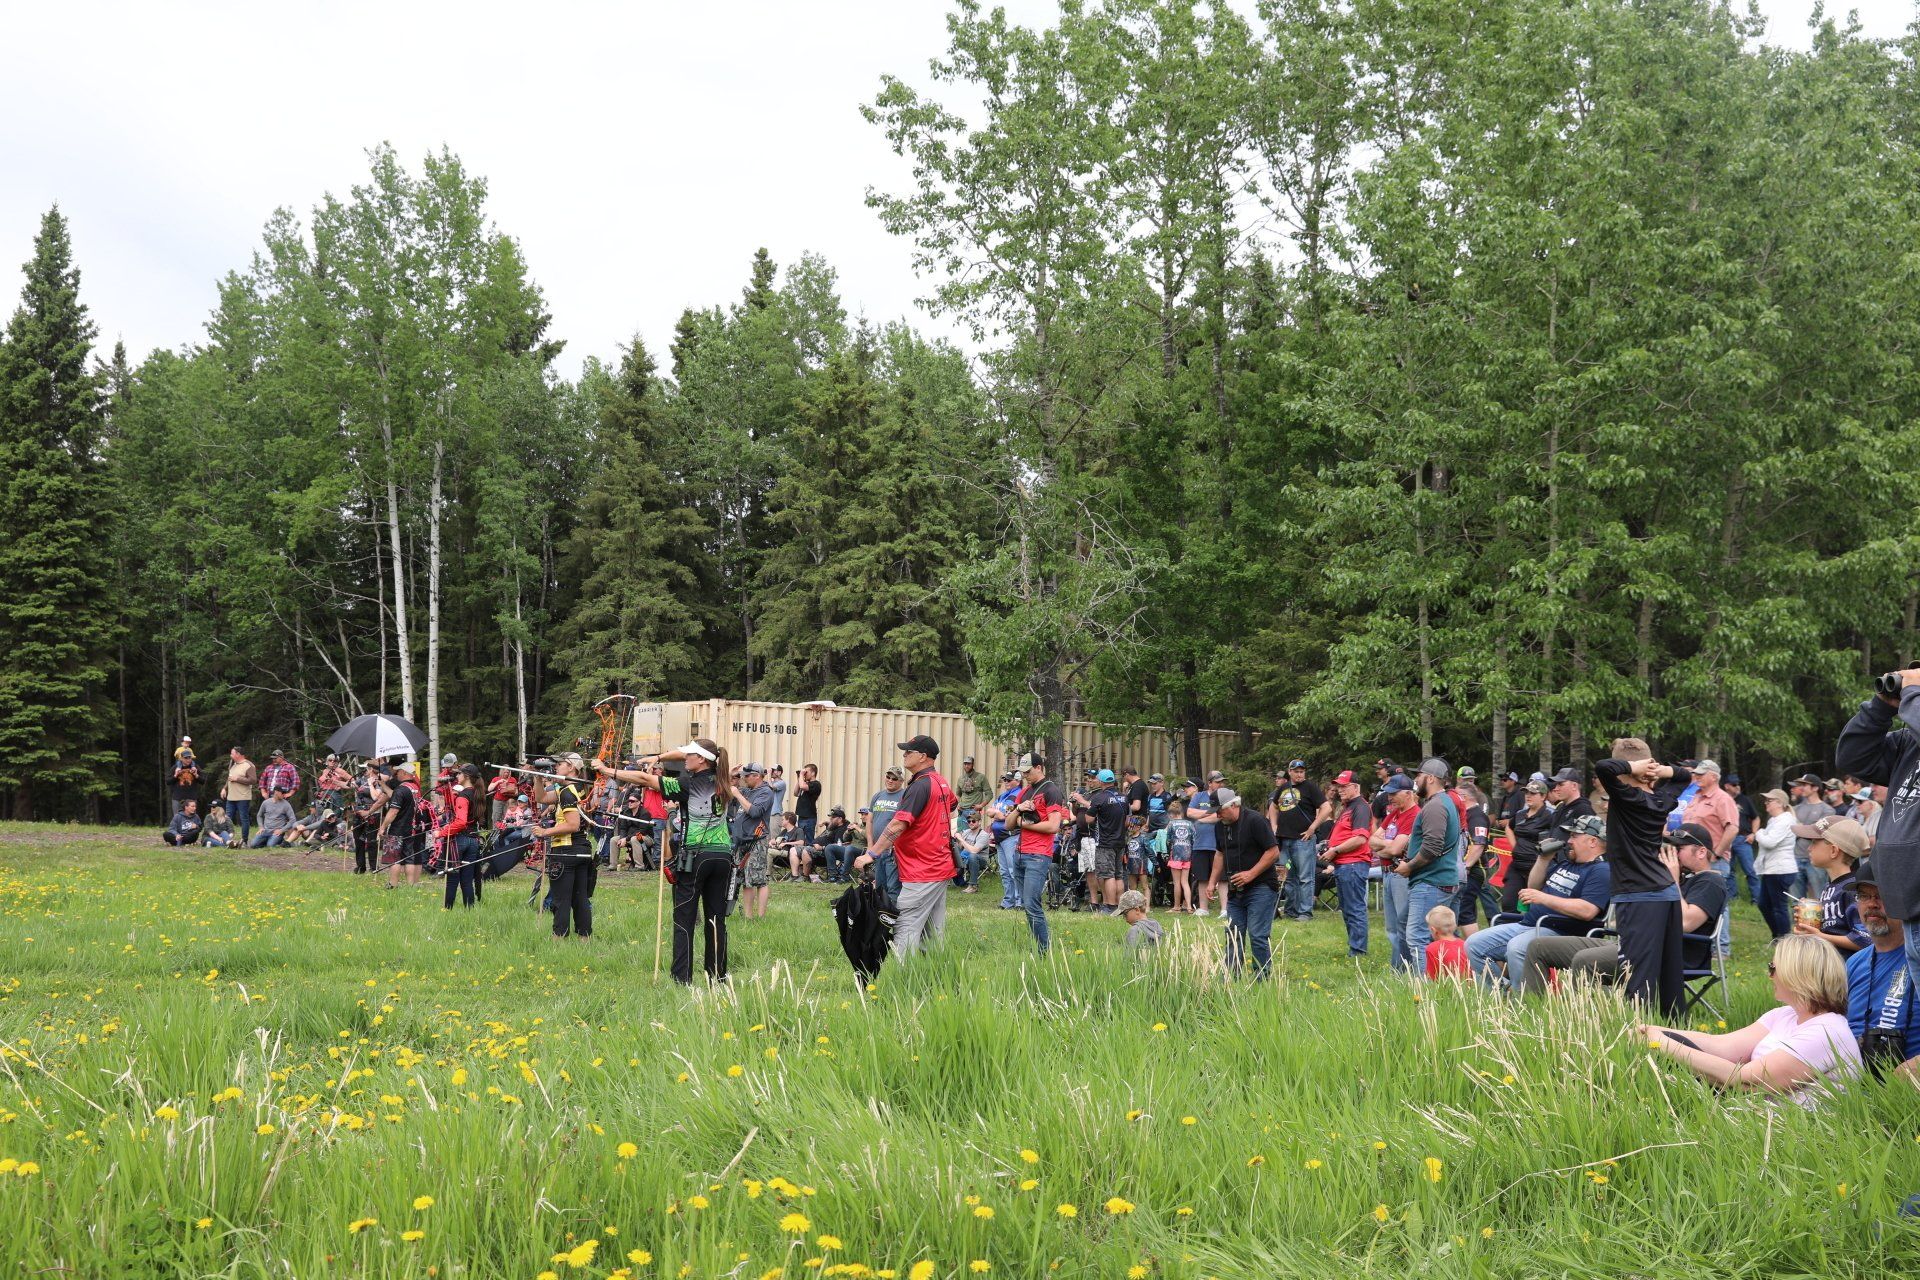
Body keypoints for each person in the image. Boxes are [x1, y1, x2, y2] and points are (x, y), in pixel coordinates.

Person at [1642, 934, 1862, 1108]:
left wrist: (1662, 1044)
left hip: (1791, 1138)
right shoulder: (1785, 1015)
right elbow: (1722, 1047)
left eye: (1773, 968)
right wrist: (1651, 1030)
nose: (1769, 976)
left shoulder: (1826, 1032)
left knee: (1670, 1064)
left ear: (1797, 974)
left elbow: (1743, 1081)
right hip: (1756, 1119)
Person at [1524, 822, 1723, 994]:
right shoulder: (1679, 878)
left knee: (1585, 960)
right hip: (1634, 944)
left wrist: (1672, 878)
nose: (1671, 854)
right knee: (1538, 947)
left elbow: (1685, 923)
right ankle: (1537, 1011)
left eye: (1678, 849)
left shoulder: (1710, 882)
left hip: (1664, 954)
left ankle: (1582, 1023)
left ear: (1701, 852)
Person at [1594, 741, 1696, 1016]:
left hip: (1639, 896)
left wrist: (1636, 767)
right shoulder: (1660, 799)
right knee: (1669, 976)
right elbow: (1685, 776)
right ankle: (1675, 1038)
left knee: (1637, 976)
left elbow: (1603, 768)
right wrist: (1659, 771)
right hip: (1666, 894)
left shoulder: (1626, 798)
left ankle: (1639, 1039)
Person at [1835, 672, 1920, 999]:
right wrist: (1882, 706)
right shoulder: (1908, 742)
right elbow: (1854, 757)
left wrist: (1912, 693)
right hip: (1907, 893)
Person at [1467, 814, 1611, 992]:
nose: (1569, 841)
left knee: (1517, 947)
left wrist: (1544, 898)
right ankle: (1500, 993)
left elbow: (1587, 910)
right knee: (1474, 944)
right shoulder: (1566, 863)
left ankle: (1525, 1002)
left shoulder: (1601, 870)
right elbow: (1533, 886)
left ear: (1592, 841)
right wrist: (1543, 858)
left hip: (1562, 931)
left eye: (1574, 836)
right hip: (1529, 924)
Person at [858, 736, 958, 956]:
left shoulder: (920, 786)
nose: (904, 755)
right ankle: (934, 977)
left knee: (905, 927)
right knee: (932, 932)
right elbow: (953, 803)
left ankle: (904, 981)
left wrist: (872, 853)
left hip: (922, 870)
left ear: (922, 756)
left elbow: (898, 824)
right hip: (939, 867)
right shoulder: (939, 781)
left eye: (908, 751)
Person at [1845, 860, 1920, 1077]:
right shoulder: (1855, 963)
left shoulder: (1916, 958)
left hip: (1905, 1090)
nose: (1872, 904)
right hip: (1853, 1085)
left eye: (1881, 895)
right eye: (1864, 896)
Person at [1207, 787, 1281, 980]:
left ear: (1233, 804)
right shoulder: (1220, 825)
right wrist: (1212, 882)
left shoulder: (1255, 820)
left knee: (1257, 934)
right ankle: (1231, 979)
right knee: (1233, 934)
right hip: (1235, 891)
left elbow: (1273, 852)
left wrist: (1251, 874)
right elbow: (1220, 854)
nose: (1217, 814)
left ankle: (1262, 979)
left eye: (1220, 810)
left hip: (1262, 887)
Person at [1396, 758, 1463, 970]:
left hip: (1431, 881)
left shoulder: (1436, 806)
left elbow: (1433, 847)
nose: (1416, 780)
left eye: (1419, 775)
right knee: (1428, 933)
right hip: (1434, 880)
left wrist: (1409, 866)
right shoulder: (1441, 803)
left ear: (1431, 778)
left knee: (1417, 937)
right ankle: (1448, 978)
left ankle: (1426, 989)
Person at [1005, 753, 1065, 953]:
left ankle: (1043, 951)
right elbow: (1007, 824)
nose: (1025, 776)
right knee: (1026, 904)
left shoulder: (1051, 790)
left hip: (1038, 855)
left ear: (1039, 767)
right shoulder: (1023, 792)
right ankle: (1036, 946)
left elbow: (1054, 826)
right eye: (1022, 773)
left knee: (1032, 904)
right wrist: (1018, 810)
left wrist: (1024, 824)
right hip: (1020, 853)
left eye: (1028, 772)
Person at [1791, 814, 1869, 955]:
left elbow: (1864, 939)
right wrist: (1810, 922)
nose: (1809, 848)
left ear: (1833, 851)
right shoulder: (1831, 886)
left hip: (1847, 972)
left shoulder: (1853, 889)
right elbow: (1834, 926)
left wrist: (1819, 937)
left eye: (1814, 842)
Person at [533, 754, 593, 937]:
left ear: (571, 768)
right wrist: (538, 777)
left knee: (561, 899)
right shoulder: (573, 788)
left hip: (566, 851)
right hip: (581, 849)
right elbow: (542, 797)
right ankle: (584, 938)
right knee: (580, 898)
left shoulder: (567, 793)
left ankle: (559, 938)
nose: (556, 767)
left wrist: (545, 832)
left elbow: (572, 825)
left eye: (560, 764)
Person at [1267, 760, 1328, 922]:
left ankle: (1305, 912)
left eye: (1302, 771)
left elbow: (1327, 808)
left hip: (1303, 840)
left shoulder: (1310, 787)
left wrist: (1312, 828)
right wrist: (1273, 826)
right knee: (1287, 877)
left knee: (1305, 877)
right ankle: (1291, 910)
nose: (1300, 774)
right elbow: (1273, 806)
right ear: (1290, 772)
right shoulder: (1283, 788)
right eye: (1296, 771)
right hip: (1284, 840)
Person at [1371, 775, 1421, 973]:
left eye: (1394, 793)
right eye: (1388, 793)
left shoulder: (1414, 814)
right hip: (1387, 872)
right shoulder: (1394, 814)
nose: (1389, 798)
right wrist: (1389, 846)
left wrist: (1386, 846)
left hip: (1400, 873)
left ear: (1409, 793)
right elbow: (1372, 841)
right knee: (1391, 927)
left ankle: (1405, 969)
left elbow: (1395, 850)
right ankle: (1398, 969)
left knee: (1404, 925)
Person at [1323, 770, 1373, 957]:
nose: (1339, 789)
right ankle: (1355, 948)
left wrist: (1335, 850)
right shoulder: (1348, 807)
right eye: (1339, 786)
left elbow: (1360, 838)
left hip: (1353, 864)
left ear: (1356, 787)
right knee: (1349, 909)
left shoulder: (1360, 806)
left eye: (1344, 786)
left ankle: (1358, 951)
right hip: (1345, 865)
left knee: (1355, 909)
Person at [1081, 768, 1129, 915]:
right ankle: (1120, 905)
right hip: (1120, 841)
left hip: (1105, 842)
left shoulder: (1099, 798)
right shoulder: (1124, 797)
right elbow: (1127, 821)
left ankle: (1110, 905)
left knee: (1107, 875)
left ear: (1101, 781)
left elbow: (1089, 819)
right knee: (1118, 875)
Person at [1752, 788, 1798, 939]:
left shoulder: (1785, 820)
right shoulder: (1774, 820)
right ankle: (1777, 936)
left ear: (1779, 803)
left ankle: (1784, 940)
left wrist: (1758, 833)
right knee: (1764, 905)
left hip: (1781, 870)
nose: (1766, 803)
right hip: (1771, 870)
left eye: (1769, 801)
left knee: (1779, 907)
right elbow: (1768, 840)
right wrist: (1763, 834)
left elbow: (1770, 842)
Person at [1502, 780, 1553, 913]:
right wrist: (1515, 846)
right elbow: (1509, 826)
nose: (1528, 796)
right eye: (1526, 793)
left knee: (1534, 908)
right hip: (1517, 865)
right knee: (1508, 904)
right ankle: (1509, 931)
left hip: (1536, 867)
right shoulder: (1520, 814)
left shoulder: (1549, 815)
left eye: (1533, 793)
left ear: (1543, 796)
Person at [734, 763, 776, 920]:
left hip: (757, 839)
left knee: (759, 879)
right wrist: (730, 773)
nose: (743, 778)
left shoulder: (766, 792)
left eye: (746, 775)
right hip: (743, 839)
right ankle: (748, 917)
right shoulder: (748, 790)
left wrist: (738, 795)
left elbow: (755, 812)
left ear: (757, 776)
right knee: (746, 879)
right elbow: (725, 785)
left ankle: (761, 917)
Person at [437, 765, 481, 908]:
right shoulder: (477, 793)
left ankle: (447, 911)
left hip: (460, 840)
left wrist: (441, 832)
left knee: (452, 879)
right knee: (467, 880)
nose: (456, 776)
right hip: (473, 840)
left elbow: (461, 822)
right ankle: (470, 911)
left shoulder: (463, 796)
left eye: (459, 774)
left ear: (466, 776)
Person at [1788, 773, 1836, 899]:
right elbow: (1789, 830)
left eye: (1805, 785)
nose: (1801, 787)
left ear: (1815, 788)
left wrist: (1800, 828)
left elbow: (1818, 832)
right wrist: (1807, 828)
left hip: (1816, 860)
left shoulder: (1828, 810)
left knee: (1820, 900)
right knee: (1796, 902)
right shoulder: (1795, 808)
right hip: (1795, 858)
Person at [381, 765, 426, 888]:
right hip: (413, 828)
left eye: (398, 772)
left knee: (395, 858)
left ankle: (393, 884)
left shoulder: (401, 790)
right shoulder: (415, 788)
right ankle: (412, 885)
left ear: (404, 772)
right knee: (410, 858)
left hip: (398, 828)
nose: (396, 774)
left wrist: (383, 826)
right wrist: (383, 785)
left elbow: (393, 811)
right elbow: (395, 795)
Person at [867, 767, 907, 902]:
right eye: (888, 777)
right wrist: (870, 846)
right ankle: (881, 917)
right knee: (879, 887)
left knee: (893, 888)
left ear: (901, 781)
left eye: (894, 778)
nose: (890, 780)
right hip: (878, 850)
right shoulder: (877, 796)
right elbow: (870, 821)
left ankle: (893, 918)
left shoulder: (905, 796)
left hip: (893, 851)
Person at [1190, 773, 1227, 918]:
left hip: (1219, 843)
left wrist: (1203, 817)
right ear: (1210, 783)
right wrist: (1210, 812)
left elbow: (1220, 816)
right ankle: (1203, 908)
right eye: (1218, 782)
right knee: (1202, 877)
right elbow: (1190, 812)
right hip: (1201, 843)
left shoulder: (1224, 797)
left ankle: (1224, 909)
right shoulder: (1199, 796)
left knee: (1223, 878)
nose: (1221, 784)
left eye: (1222, 782)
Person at [1725, 773, 1761, 907]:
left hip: (1742, 839)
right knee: (1728, 871)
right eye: (1734, 785)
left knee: (1751, 870)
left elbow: (1756, 818)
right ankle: (1732, 897)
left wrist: (1753, 834)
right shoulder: (1722, 799)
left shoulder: (1745, 800)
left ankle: (1757, 899)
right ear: (1727, 786)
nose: (1738, 787)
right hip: (1726, 839)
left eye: (1738, 784)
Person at [1164, 798, 1196, 914]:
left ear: (1171, 814)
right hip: (1187, 855)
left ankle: (1177, 906)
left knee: (1176, 882)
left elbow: (1168, 840)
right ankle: (1188, 906)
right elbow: (1194, 839)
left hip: (1176, 855)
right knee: (1185, 882)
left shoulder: (1171, 824)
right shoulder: (1190, 823)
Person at [1423, 905, 1468, 978]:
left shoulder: (1432, 948)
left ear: (1433, 930)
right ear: (1455, 926)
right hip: (1469, 987)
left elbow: (1431, 977)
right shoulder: (1465, 944)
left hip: (1448, 987)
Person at [224, 748, 258, 846]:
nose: (230, 755)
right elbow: (230, 778)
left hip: (243, 797)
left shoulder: (249, 765)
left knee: (244, 819)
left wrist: (237, 779)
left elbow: (253, 780)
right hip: (231, 797)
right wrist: (224, 788)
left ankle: (244, 840)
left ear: (238, 754)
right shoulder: (233, 764)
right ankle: (226, 839)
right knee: (227, 818)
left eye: (232, 753)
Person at [956, 811, 993, 893]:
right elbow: (960, 847)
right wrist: (957, 839)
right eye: (969, 821)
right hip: (964, 857)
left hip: (980, 861)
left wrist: (961, 839)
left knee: (972, 856)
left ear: (979, 822)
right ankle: (959, 882)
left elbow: (974, 851)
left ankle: (973, 885)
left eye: (973, 821)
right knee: (952, 852)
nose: (970, 823)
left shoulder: (983, 835)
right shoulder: (966, 832)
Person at [954, 755, 990, 825]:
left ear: (973, 765)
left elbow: (989, 794)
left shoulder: (981, 777)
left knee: (972, 833)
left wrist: (981, 805)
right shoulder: (961, 778)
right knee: (960, 833)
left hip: (974, 811)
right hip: (962, 811)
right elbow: (958, 794)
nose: (966, 766)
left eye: (969, 764)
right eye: (965, 764)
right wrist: (957, 805)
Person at [168, 750, 200, 817]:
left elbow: (203, 781)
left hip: (191, 799)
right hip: (178, 798)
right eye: (186, 758)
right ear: (181, 758)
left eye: (189, 757)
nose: (188, 759)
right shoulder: (175, 767)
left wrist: (196, 775)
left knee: (191, 818)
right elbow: (168, 781)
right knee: (177, 818)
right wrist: (175, 775)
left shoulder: (195, 767)